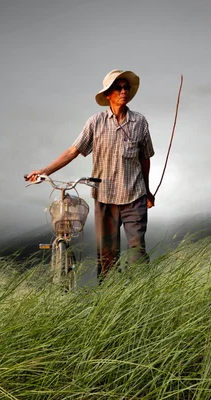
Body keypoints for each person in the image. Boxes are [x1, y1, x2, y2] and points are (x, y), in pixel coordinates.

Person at [25, 69, 155, 281]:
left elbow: (145, 159)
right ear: (108, 94)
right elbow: (73, 151)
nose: (123, 91)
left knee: (137, 251)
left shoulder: (139, 122)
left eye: (126, 87)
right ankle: (108, 301)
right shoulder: (95, 122)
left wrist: (147, 191)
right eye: (118, 88)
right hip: (105, 198)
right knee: (106, 256)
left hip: (134, 196)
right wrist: (45, 171)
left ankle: (141, 298)